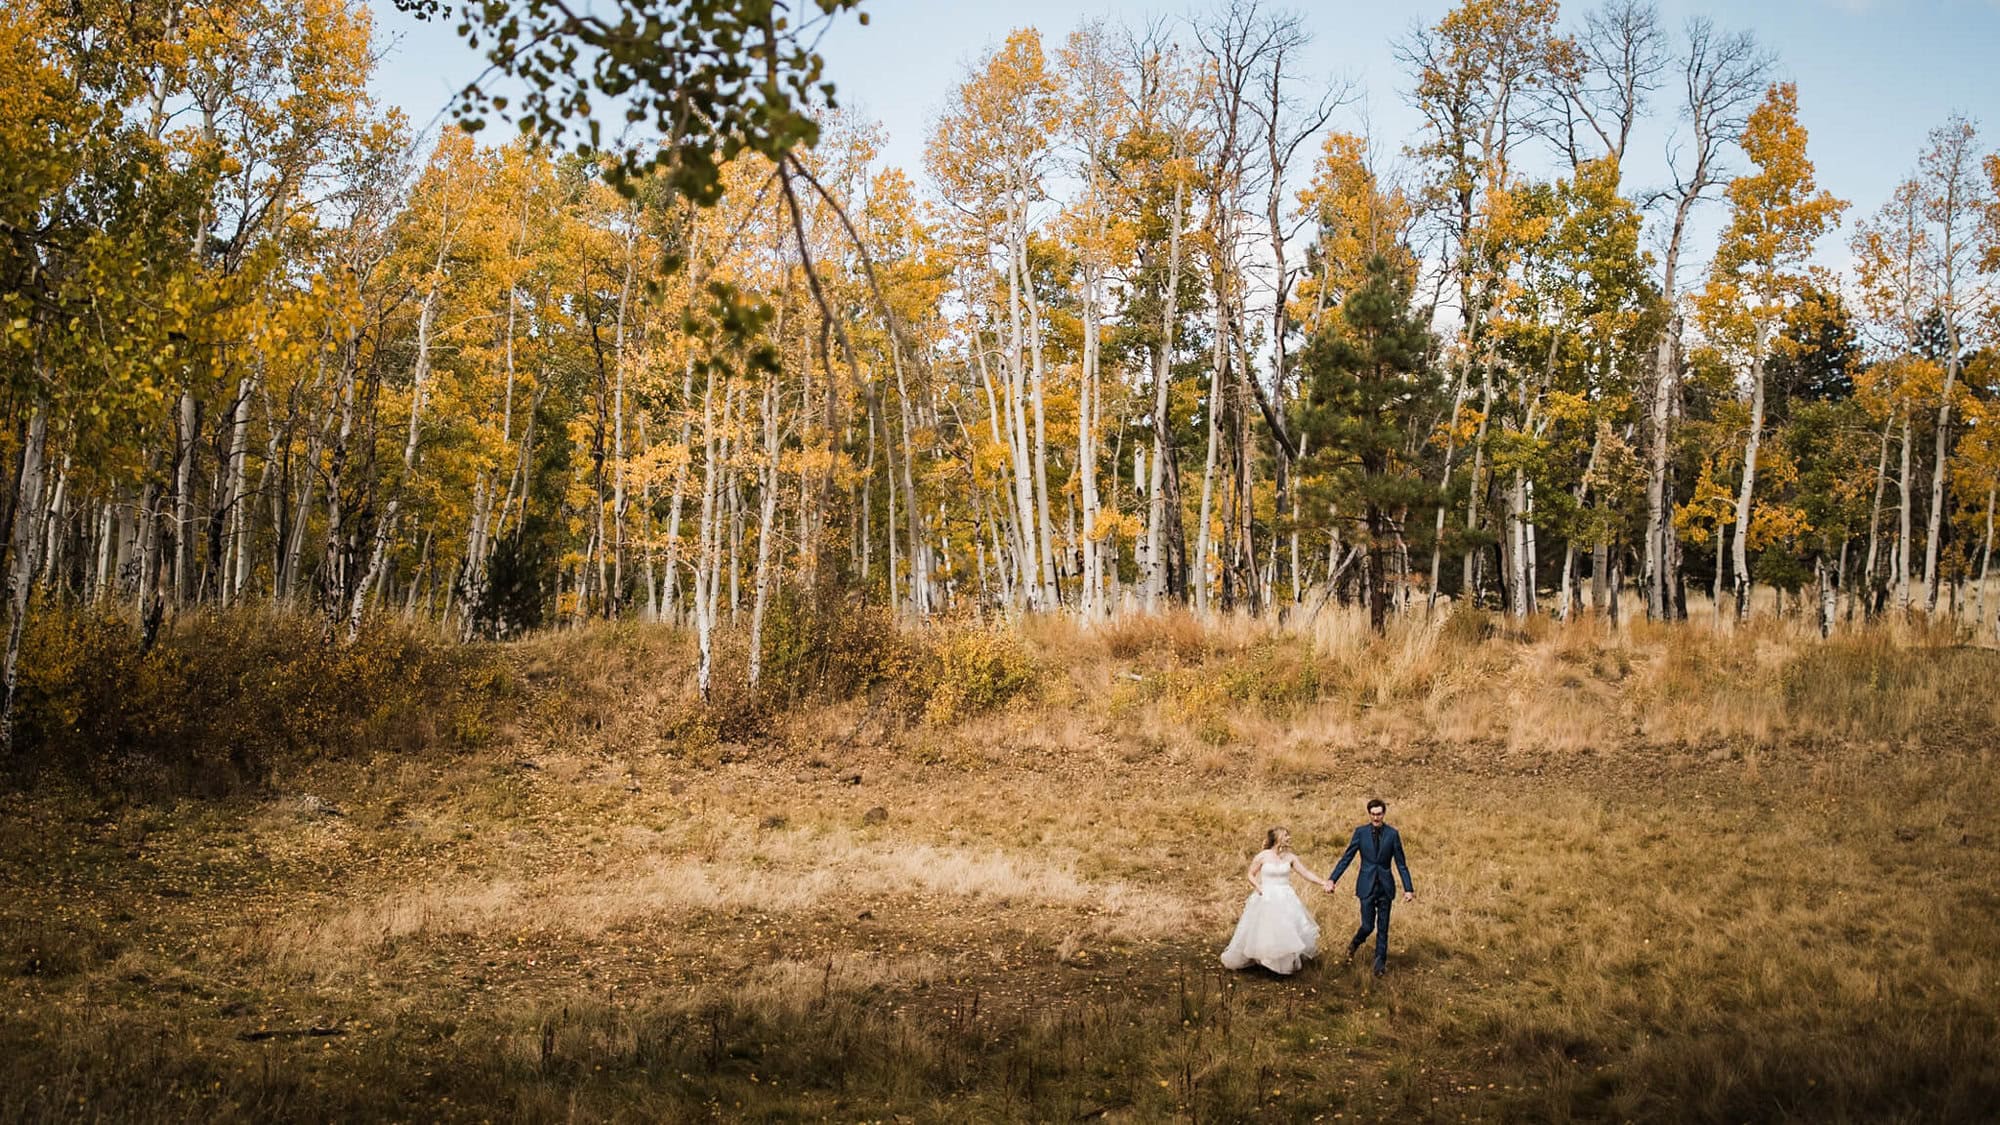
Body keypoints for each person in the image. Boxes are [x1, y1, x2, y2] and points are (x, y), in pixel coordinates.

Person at [1322, 798, 1414, 977]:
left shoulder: (1393, 834)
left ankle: (1379, 965)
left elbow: (1401, 863)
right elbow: (1346, 858)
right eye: (1373, 814)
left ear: (1384, 814)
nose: (1376, 818)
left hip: (1385, 887)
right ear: (1369, 814)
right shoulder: (1360, 833)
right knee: (1367, 925)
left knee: (1383, 927)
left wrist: (1408, 888)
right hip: (1366, 885)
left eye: (1379, 814)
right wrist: (1333, 879)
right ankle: (1354, 944)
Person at [1219, 827, 1324, 975]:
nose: (1289, 838)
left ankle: (1281, 964)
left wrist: (1323, 883)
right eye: (1286, 835)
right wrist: (1258, 886)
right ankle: (1263, 959)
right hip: (1266, 896)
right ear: (1278, 837)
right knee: (1265, 929)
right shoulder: (1263, 856)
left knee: (1285, 929)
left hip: (1286, 897)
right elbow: (1250, 873)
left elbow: (1305, 873)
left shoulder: (1290, 857)